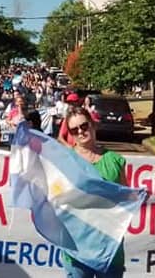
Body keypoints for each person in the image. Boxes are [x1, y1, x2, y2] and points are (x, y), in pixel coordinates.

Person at [63, 107, 127, 278]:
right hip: (77, 249)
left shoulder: (114, 160)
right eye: (74, 130)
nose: (80, 132)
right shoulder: (64, 161)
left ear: (92, 125)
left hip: (109, 249)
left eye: (84, 126)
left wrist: (138, 197)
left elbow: (126, 199)